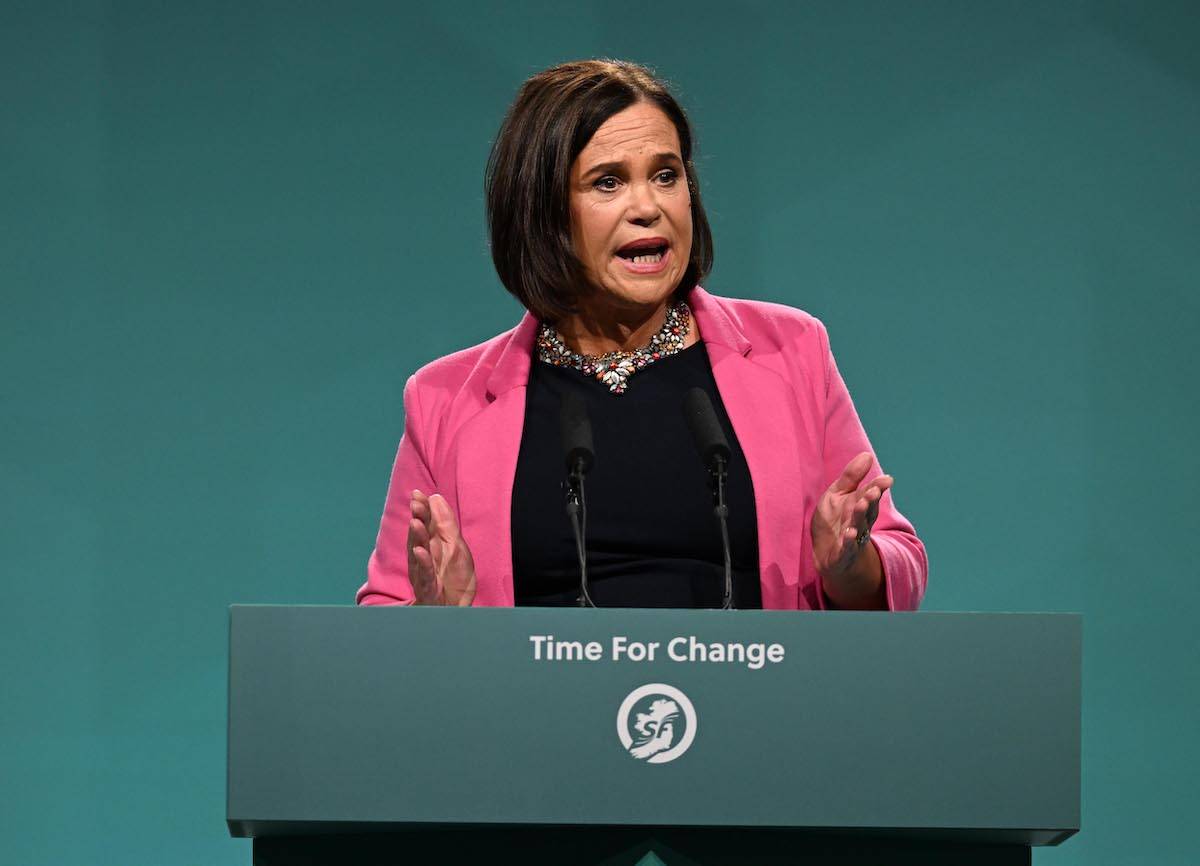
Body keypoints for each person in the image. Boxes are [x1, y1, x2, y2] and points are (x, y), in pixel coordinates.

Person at [356, 59, 927, 611]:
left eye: (666, 175)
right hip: (533, 708)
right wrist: (434, 621)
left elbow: (898, 561)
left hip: (756, 701)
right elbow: (390, 611)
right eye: (608, 182)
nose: (649, 207)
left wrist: (849, 567)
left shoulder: (791, 349)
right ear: (543, 213)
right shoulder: (443, 399)